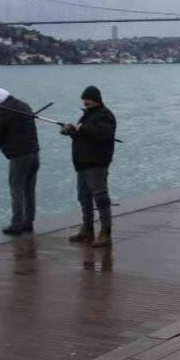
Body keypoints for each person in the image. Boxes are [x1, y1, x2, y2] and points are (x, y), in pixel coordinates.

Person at [62, 86, 117, 248]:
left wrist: (82, 129)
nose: (85, 103)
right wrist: (71, 131)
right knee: (83, 198)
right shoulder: (86, 116)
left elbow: (102, 135)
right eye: (84, 101)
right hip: (82, 163)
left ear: (95, 99)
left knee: (101, 198)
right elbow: (82, 135)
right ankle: (87, 228)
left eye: (87, 100)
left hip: (96, 163)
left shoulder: (105, 116)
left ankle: (105, 232)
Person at [0, 88, 40, 235]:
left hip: (19, 156)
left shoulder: (4, 110)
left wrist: (5, 149)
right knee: (29, 190)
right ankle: (28, 222)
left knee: (16, 189)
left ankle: (16, 224)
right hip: (34, 153)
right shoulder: (24, 106)